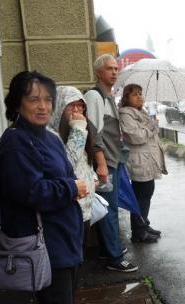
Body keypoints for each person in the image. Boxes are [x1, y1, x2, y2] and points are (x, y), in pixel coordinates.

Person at [0, 71, 88, 304]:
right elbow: (30, 192)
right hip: (46, 244)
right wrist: (71, 188)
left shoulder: (48, 137)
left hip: (64, 238)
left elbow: (65, 171)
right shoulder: (17, 142)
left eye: (48, 99)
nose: (43, 106)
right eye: (34, 99)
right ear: (16, 103)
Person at [84, 54, 138, 272]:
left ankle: (111, 248)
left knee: (111, 207)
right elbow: (93, 133)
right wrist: (102, 164)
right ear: (98, 72)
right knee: (109, 210)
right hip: (105, 163)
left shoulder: (107, 96)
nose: (114, 72)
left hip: (113, 161)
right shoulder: (94, 96)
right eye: (109, 69)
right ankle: (114, 259)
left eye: (116, 68)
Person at [49, 86, 96, 258]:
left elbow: (84, 161)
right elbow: (66, 164)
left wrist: (93, 178)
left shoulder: (80, 129)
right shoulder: (52, 136)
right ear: (60, 107)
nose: (77, 110)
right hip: (70, 210)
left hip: (86, 209)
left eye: (80, 105)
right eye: (71, 105)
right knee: (72, 259)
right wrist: (78, 130)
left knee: (81, 257)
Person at [119, 83, 167, 243]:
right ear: (126, 98)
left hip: (148, 160)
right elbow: (136, 136)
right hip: (139, 161)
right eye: (134, 94)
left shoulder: (141, 112)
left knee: (147, 193)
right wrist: (150, 127)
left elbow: (149, 131)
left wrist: (151, 125)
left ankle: (144, 224)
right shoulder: (126, 114)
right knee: (141, 196)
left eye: (140, 93)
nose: (139, 96)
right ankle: (138, 232)